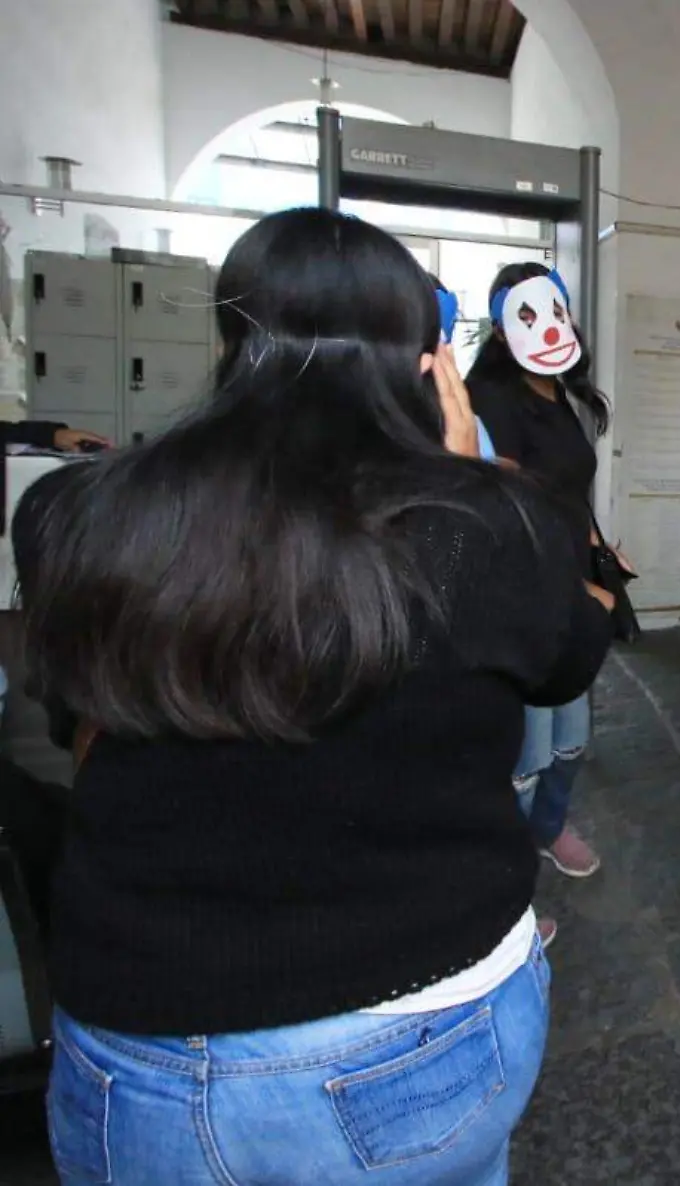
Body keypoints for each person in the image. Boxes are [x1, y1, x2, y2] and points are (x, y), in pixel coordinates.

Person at [15, 207, 615, 1184]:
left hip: (141, 1044)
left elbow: (70, 714)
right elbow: (564, 658)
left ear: (234, 340)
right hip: (423, 1017)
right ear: (428, 364)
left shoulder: (82, 510)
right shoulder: (479, 525)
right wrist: (470, 477)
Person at [467, 262, 615, 884]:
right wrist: (566, 577)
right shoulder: (490, 401)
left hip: (575, 589)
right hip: (527, 589)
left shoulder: (563, 395)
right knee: (525, 750)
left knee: (571, 737)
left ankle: (550, 829)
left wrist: (598, 545)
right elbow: (505, 500)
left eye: (554, 309)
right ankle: (509, 879)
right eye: (525, 315)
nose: (548, 325)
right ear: (501, 329)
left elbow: (567, 490)